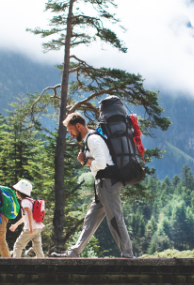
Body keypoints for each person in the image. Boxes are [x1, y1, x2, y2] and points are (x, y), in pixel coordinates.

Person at [51, 111, 135, 258]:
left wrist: (84, 161)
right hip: (102, 185)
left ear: (78, 126)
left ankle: (128, 254)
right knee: (90, 219)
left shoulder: (93, 140)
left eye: (71, 131)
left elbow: (101, 164)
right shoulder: (91, 139)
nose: (71, 135)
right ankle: (74, 252)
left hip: (108, 183)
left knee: (115, 219)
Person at [10, 179, 44, 258]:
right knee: (37, 247)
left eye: (17, 191)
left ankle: (15, 263)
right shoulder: (31, 201)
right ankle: (42, 262)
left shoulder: (24, 201)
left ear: (20, 192)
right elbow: (25, 217)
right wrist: (16, 225)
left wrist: (31, 228)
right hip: (38, 227)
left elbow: (29, 213)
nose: (16, 192)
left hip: (30, 228)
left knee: (18, 245)